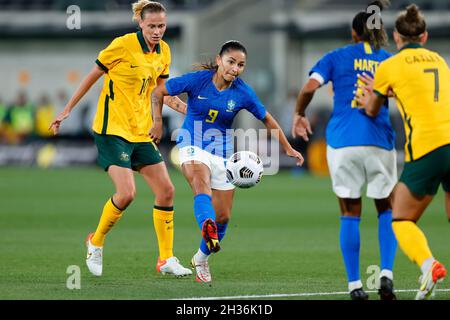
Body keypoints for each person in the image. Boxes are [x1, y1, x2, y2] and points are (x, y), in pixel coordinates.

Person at [50, 0, 192, 278]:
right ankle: (96, 240)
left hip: (140, 131)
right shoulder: (122, 45)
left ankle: (166, 259)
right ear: (140, 22)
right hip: (111, 129)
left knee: (167, 190)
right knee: (127, 194)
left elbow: (160, 91)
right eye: (152, 26)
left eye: (161, 26)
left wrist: (189, 111)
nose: (157, 31)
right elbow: (93, 75)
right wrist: (67, 109)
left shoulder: (164, 51)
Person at [151, 40, 304, 284]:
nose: (235, 68)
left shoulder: (243, 92)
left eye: (241, 65)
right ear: (220, 60)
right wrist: (157, 121)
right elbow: (159, 91)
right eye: (231, 62)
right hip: (191, 144)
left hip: (222, 154)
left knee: (223, 216)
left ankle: (201, 258)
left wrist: (287, 148)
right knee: (200, 183)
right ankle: (206, 224)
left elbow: (268, 119)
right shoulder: (197, 80)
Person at [291, 0, 398, 300]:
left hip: (342, 142)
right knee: (386, 207)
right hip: (379, 140)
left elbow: (310, 87)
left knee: (350, 211)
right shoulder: (388, 61)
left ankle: (355, 286)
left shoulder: (335, 57)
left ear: (354, 33)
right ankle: (386, 274)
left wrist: (299, 114)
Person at [356, 4, 449, 300]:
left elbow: (371, 109)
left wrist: (374, 94)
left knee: (401, 219)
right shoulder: (440, 61)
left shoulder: (390, 66)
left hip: (428, 147)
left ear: (397, 37)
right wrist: (395, 91)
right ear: (424, 37)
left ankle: (428, 266)